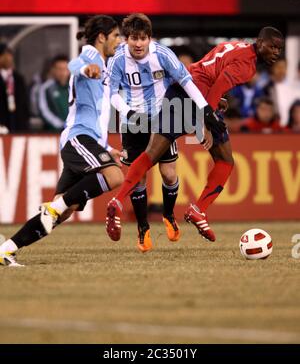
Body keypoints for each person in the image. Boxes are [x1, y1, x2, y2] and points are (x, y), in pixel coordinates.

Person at [106, 26, 284, 243]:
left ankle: (117, 200)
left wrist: (215, 101)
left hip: (179, 89)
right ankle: (198, 209)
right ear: (260, 42)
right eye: (272, 46)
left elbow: (211, 70)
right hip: (197, 97)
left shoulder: (237, 45)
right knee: (225, 161)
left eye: (279, 49)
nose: (276, 52)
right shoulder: (248, 65)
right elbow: (218, 84)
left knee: (151, 154)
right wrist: (207, 121)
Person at [0, 15, 124, 267]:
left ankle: (7, 249)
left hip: (88, 140)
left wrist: (108, 148)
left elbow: (95, 114)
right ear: (102, 37)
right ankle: (55, 206)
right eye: (116, 36)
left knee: (63, 212)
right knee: (115, 177)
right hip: (78, 137)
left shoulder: (103, 64)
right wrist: (85, 69)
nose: (118, 41)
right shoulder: (90, 56)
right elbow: (74, 64)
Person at [109, 14, 189, 252]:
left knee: (168, 173)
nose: (138, 43)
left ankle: (168, 214)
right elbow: (111, 92)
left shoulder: (162, 54)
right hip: (132, 124)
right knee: (139, 177)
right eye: (134, 38)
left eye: (143, 38)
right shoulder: (118, 59)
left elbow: (185, 80)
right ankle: (143, 229)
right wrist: (128, 112)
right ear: (126, 39)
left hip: (161, 119)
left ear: (149, 38)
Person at [0, 43, 30, 133]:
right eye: (5, 55)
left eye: (10, 55)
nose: (9, 58)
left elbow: (24, 103)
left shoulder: (18, 78)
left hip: (18, 126)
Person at [38, 55, 70, 132]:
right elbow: (44, 110)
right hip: (53, 133)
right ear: (53, 70)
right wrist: (61, 125)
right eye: (59, 69)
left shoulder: (74, 87)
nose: (62, 73)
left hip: (72, 133)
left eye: (65, 69)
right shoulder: (46, 88)